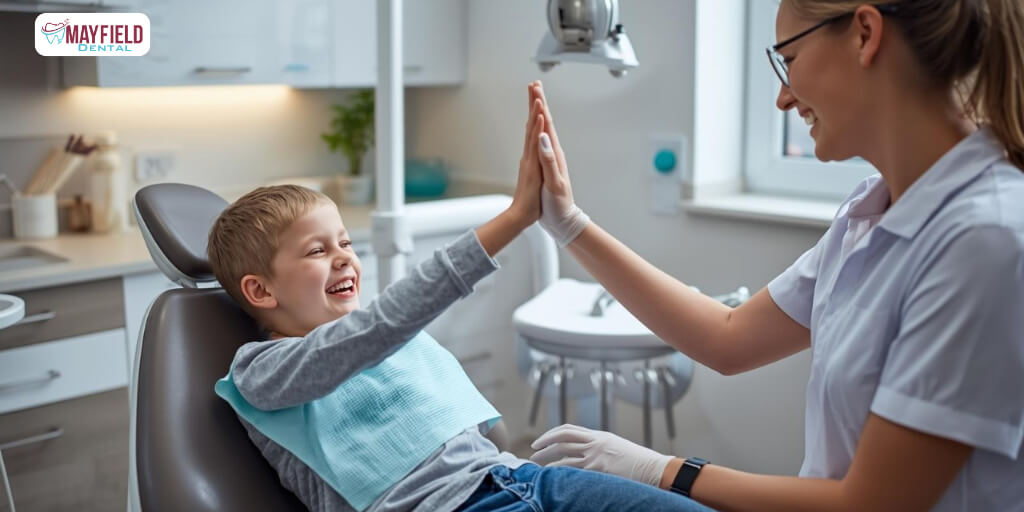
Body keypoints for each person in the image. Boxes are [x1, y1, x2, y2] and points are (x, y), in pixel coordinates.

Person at [526, 0, 1024, 510]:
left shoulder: (986, 239)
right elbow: (728, 338)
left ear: (864, 34)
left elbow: (871, 504)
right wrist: (569, 224)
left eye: (789, 60)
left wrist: (663, 469)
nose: (784, 98)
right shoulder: (871, 210)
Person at [206, 85, 713, 512]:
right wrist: (514, 219)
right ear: (261, 289)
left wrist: (507, 453)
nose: (343, 258)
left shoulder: (383, 343)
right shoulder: (262, 372)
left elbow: (465, 413)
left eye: (345, 243)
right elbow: (375, 331)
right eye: (317, 250)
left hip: (522, 481)